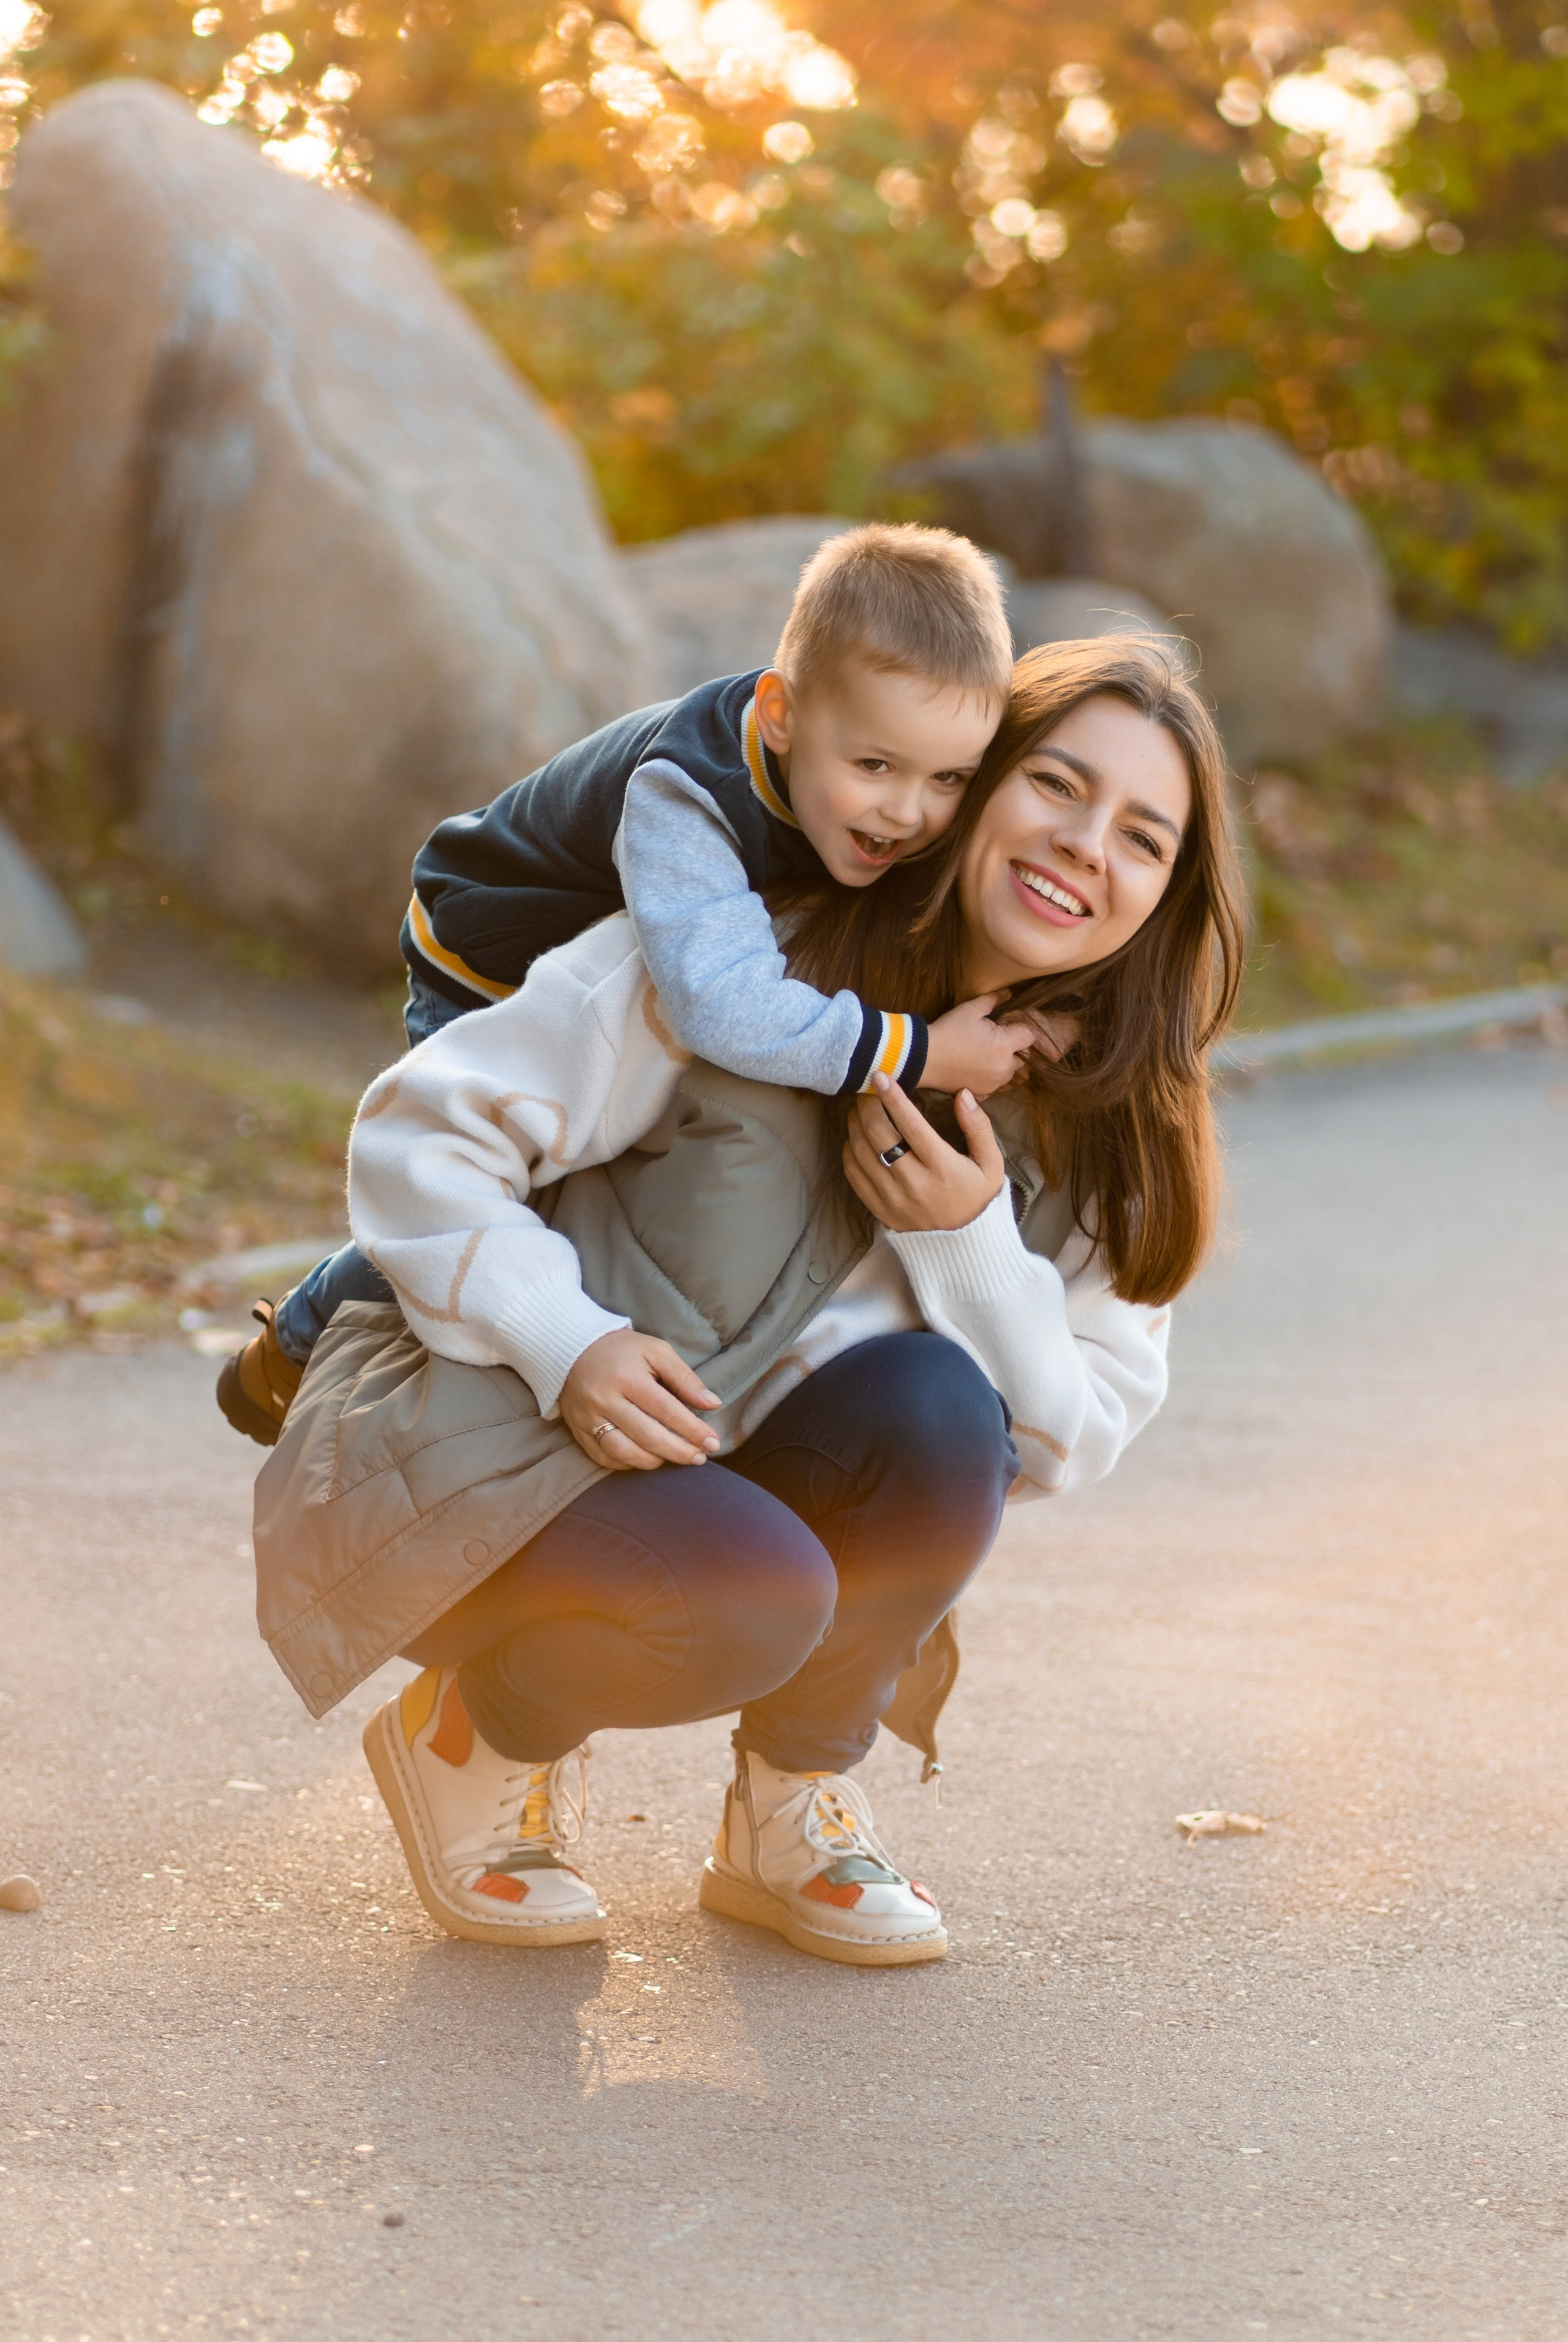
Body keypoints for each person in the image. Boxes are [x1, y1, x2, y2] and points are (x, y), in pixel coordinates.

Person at [251, 637, 1246, 1970]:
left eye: (1140, 836)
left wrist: (966, 1244)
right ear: (971, 784)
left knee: (946, 1415)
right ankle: (472, 1736)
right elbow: (419, 1139)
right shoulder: (741, 969)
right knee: (759, 1596)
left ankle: (787, 1812)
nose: (1082, 847)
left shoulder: (1104, 1121)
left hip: (712, 1486)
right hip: (484, 1450)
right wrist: (570, 1342)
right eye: (1055, 786)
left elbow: (1062, 1439)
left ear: (1169, 891)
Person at [220, 522, 1031, 1446]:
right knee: (503, 1193)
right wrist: (919, 1047)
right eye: (876, 766)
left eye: (950, 778)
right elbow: (720, 1006)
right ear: (781, 715)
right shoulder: (683, 793)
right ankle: (304, 1337)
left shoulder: (867, 802)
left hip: (617, 982)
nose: (909, 810)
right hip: (492, 954)